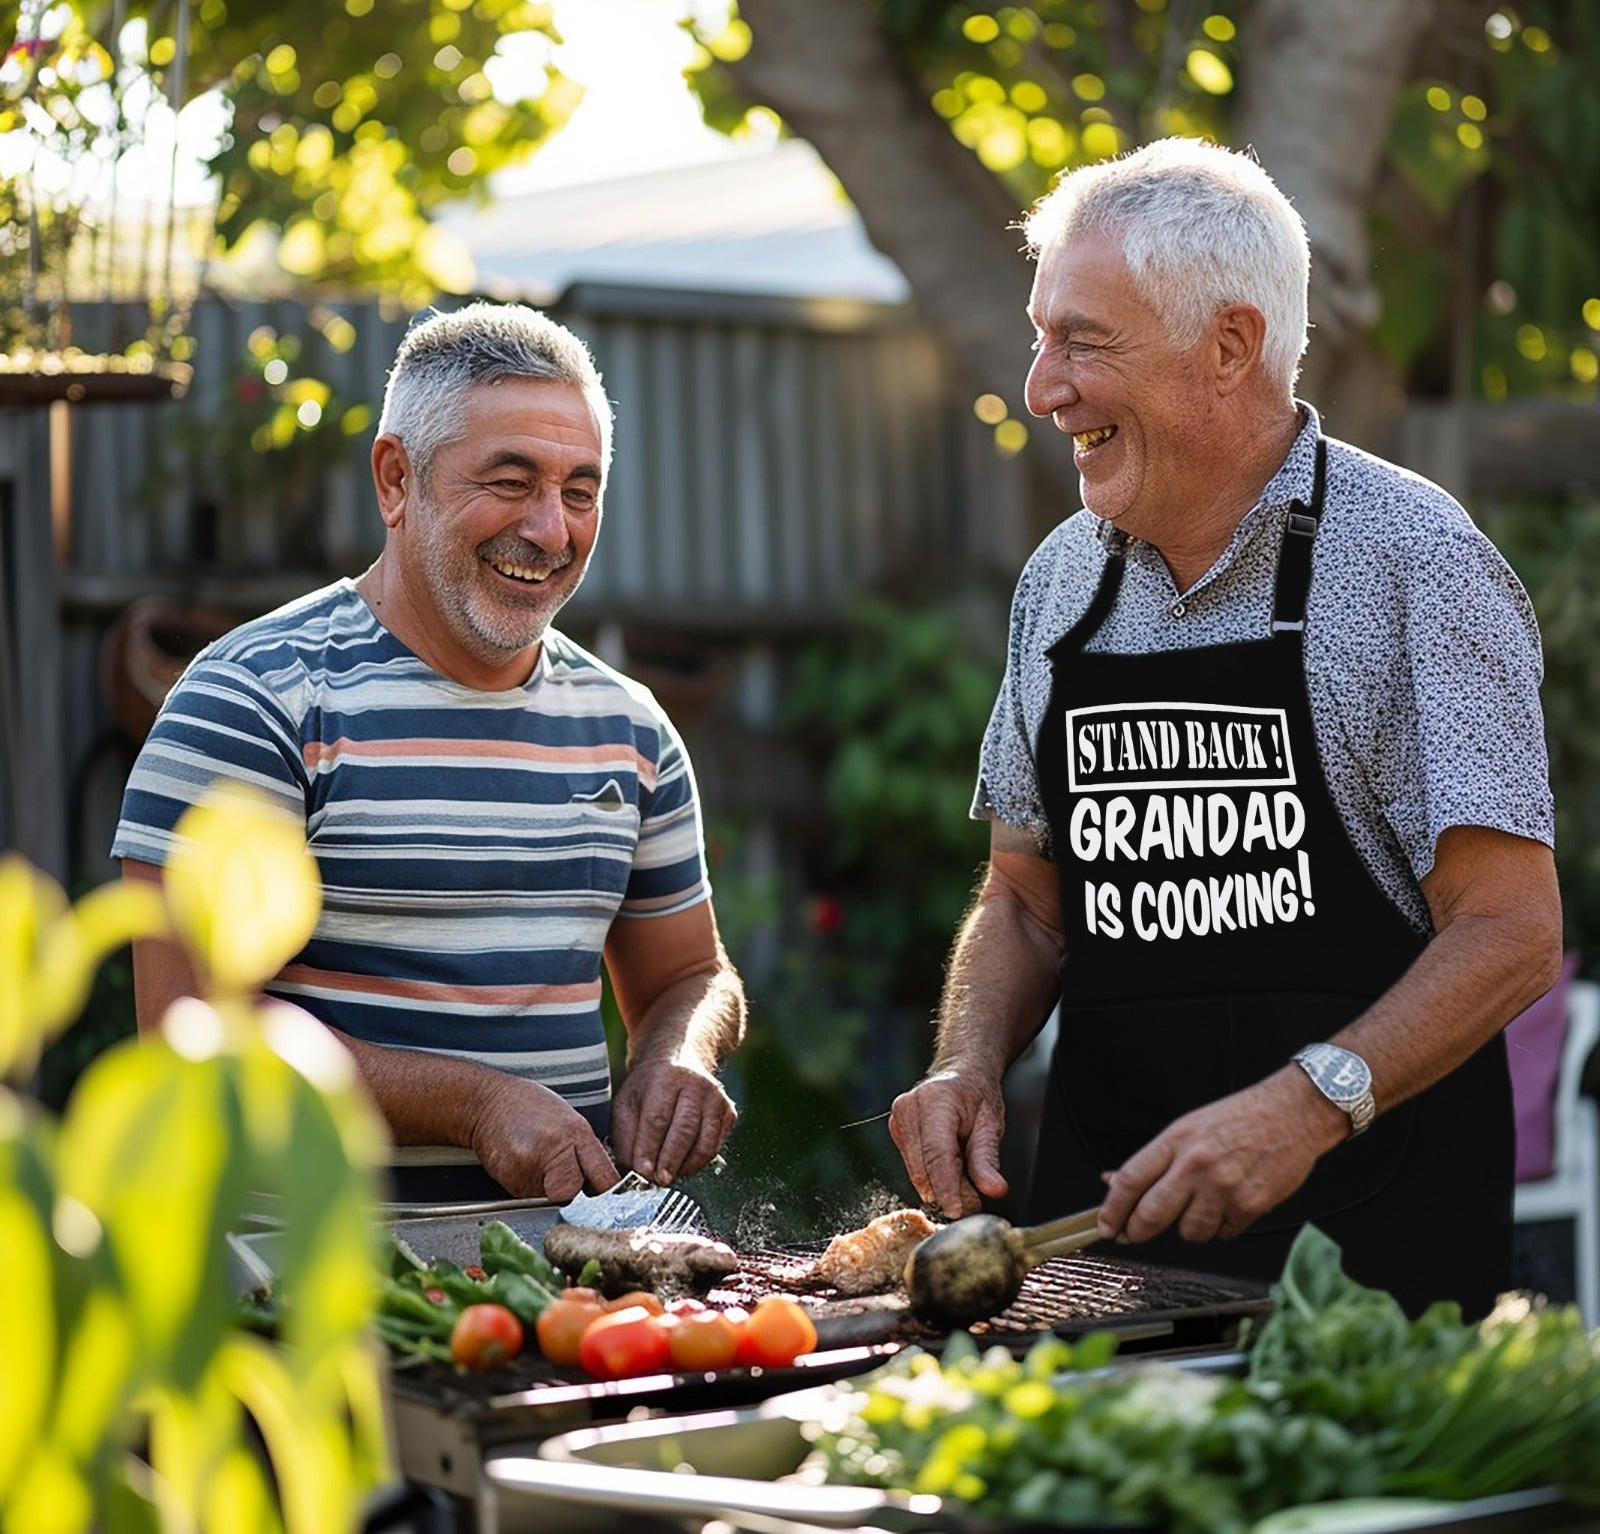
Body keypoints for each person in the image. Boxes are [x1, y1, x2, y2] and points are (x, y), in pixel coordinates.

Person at [889, 138, 1563, 1318]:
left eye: (1082, 341)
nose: (1041, 387)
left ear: (1230, 345)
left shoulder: (1417, 564)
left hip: (1364, 1273)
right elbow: (1023, 899)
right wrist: (967, 1058)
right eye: (1042, 337)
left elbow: (1508, 930)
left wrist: (1305, 1105)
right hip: (1098, 1264)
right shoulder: (1059, 583)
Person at [115, 302, 746, 1205]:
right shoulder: (253, 702)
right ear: (395, 478)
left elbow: (689, 974)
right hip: (295, 1295)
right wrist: (474, 1106)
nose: (551, 530)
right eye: (510, 480)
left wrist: (675, 1053)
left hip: (554, 1295)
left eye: (580, 490)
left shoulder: (631, 728)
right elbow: (188, 1036)